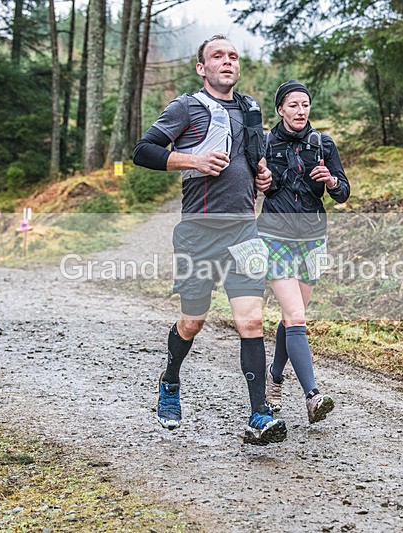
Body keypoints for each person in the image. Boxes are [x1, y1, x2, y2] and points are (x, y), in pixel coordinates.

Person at [132, 35, 287, 446]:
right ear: (202, 68)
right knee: (193, 321)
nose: (227, 61)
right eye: (217, 56)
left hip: (243, 230)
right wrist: (193, 159)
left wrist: (264, 176)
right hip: (198, 232)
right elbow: (143, 151)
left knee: (250, 320)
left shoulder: (251, 109)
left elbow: (257, 163)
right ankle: (170, 380)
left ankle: (258, 414)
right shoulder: (186, 107)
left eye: (233, 56)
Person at [258, 80, 350, 424]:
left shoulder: (322, 144)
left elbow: (343, 193)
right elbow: (252, 181)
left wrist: (331, 181)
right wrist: (260, 182)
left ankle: (275, 376)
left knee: (290, 316)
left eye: (305, 105)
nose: (300, 111)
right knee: (297, 317)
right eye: (293, 105)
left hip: (313, 239)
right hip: (275, 236)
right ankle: (312, 396)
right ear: (280, 109)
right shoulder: (265, 143)